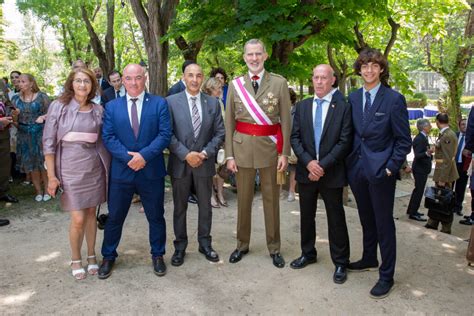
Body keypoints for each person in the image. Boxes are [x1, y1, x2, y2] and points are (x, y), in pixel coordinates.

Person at [345, 48, 411, 299]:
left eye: (374, 66)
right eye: (364, 66)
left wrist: (390, 167)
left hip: (382, 171)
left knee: (384, 224)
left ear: (381, 69)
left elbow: (403, 140)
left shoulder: (393, 99)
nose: (369, 70)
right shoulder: (352, 97)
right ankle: (369, 258)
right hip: (357, 170)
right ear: (359, 70)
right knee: (365, 218)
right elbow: (352, 133)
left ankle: (386, 275)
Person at [99, 64, 171, 279]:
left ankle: (158, 254)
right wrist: (129, 158)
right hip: (122, 172)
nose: (133, 82)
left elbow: (165, 134)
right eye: (129, 78)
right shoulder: (112, 106)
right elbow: (108, 137)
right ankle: (108, 256)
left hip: (151, 171)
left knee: (156, 216)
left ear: (145, 78)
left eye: (138, 78)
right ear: (122, 79)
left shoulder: (159, 103)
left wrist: (144, 156)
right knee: (115, 217)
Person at [225, 38, 291, 268]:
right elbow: (229, 122)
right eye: (250, 54)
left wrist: (284, 153)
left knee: (272, 201)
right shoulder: (235, 85)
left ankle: (274, 247)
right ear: (244, 57)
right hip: (242, 149)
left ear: (265, 56)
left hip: (270, 150)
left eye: (258, 54)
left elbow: (285, 120)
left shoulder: (279, 83)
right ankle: (242, 244)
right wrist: (229, 155)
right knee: (243, 200)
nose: (254, 58)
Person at [43, 68, 110, 280]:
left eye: (87, 82)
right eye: (78, 81)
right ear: (71, 83)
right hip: (69, 168)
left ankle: (91, 256)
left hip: (93, 167)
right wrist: (52, 176)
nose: (82, 85)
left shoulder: (98, 110)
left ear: (92, 85)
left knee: (91, 213)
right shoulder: (58, 107)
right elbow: (49, 143)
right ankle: (75, 258)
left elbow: (104, 140)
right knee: (78, 217)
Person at [289, 64, 352, 284]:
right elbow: (294, 138)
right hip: (307, 172)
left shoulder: (343, 106)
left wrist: (321, 165)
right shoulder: (303, 106)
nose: (318, 82)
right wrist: (309, 163)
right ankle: (308, 253)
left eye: (323, 78)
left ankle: (341, 262)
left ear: (333, 80)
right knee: (306, 216)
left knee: (336, 218)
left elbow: (345, 141)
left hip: (331, 172)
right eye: (315, 77)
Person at [166, 63, 225, 266]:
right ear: (184, 77)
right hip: (180, 163)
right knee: (179, 207)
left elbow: (220, 132)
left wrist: (205, 153)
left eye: (198, 75)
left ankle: (205, 243)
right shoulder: (170, 102)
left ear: (202, 78)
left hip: (204, 163)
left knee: (205, 207)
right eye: (190, 75)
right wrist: (185, 154)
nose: (194, 79)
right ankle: (180, 247)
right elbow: (167, 133)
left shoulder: (213, 103)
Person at [11, 74, 51, 202]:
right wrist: (15, 115)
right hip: (24, 135)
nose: (19, 84)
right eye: (18, 82)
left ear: (31, 83)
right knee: (31, 164)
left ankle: (47, 190)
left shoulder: (42, 97)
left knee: (42, 163)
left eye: (22, 81)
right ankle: (38, 191)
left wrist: (43, 117)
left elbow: (52, 114)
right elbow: (14, 121)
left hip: (40, 134)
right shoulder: (15, 100)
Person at [425, 113, 459, 234]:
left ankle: (445, 227)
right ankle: (433, 221)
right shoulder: (446, 133)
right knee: (437, 198)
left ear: (437, 122)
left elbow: (448, 158)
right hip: (442, 171)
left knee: (445, 200)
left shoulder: (447, 135)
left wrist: (443, 178)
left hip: (445, 173)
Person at [202, 77, 228, 208]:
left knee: (223, 169)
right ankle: (211, 195)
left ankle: (220, 194)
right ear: (211, 88)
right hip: (210, 140)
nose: (221, 90)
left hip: (223, 139)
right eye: (219, 88)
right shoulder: (205, 102)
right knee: (211, 169)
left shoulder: (220, 102)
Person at [406, 118, 432, 222]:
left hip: (422, 168)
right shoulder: (419, 138)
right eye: (429, 125)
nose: (430, 127)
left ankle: (411, 210)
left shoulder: (423, 137)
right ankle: (413, 212)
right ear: (424, 127)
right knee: (418, 191)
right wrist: (427, 153)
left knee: (418, 190)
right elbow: (418, 155)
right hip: (420, 169)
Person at [0, 80, 18, 204]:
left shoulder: (1, 83)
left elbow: (6, 102)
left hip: (3, 134)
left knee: (4, 164)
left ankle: (2, 192)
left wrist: (12, 112)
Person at [453, 119, 471, 216]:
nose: (464, 126)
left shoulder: (471, 139)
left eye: (466, 125)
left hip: (463, 166)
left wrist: (469, 153)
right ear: (459, 126)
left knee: (461, 187)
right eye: (462, 124)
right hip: (453, 164)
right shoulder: (454, 135)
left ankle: (458, 207)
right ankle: (449, 206)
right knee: (450, 185)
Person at [287, 88, 298, 202]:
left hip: (292, 142)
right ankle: (278, 191)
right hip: (280, 142)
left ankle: (291, 191)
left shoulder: (296, 110)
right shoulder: (278, 109)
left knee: (293, 168)